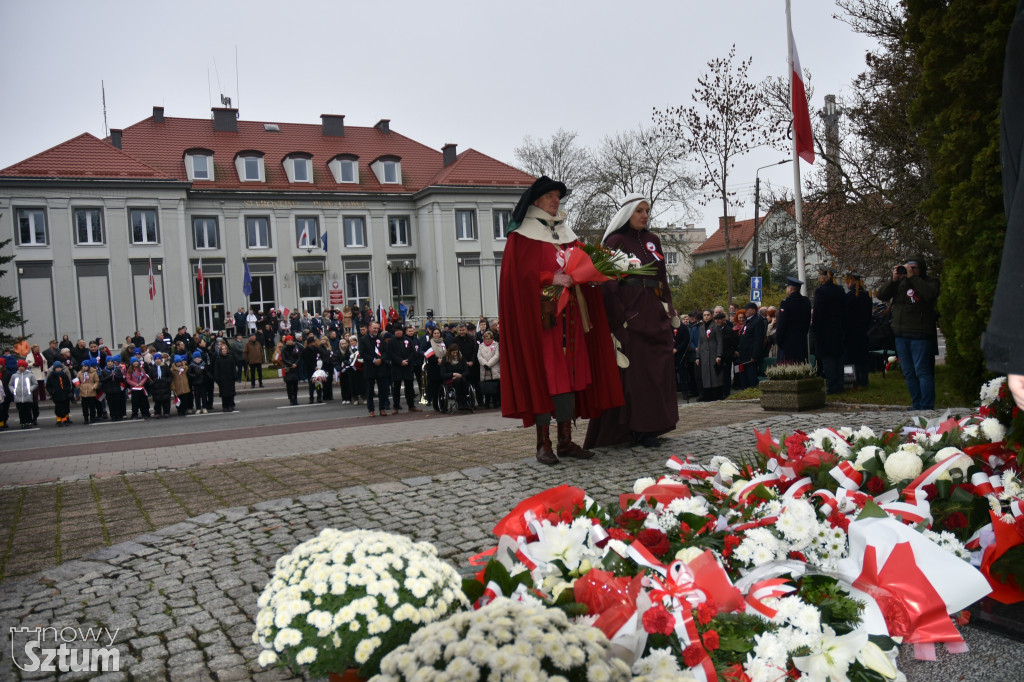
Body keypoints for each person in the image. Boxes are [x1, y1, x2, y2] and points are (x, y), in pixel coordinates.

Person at [498, 176, 622, 465]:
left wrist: (597, 270)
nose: (555, 201)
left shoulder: (567, 233)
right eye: (549, 196)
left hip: (572, 319)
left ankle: (566, 440)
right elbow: (516, 280)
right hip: (542, 321)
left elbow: (581, 262)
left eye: (557, 196)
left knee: (570, 375)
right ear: (535, 201)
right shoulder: (521, 237)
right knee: (547, 376)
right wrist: (548, 278)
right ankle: (543, 443)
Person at [584, 194, 679, 449]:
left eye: (647, 210)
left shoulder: (653, 241)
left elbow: (662, 280)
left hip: (655, 314)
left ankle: (656, 425)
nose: (645, 215)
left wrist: (669, 310)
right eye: (639, 211)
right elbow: (607, 284)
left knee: (659, 371)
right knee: (637, 376)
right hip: (631, 316)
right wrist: (619, 319)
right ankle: (634, 429)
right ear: (628, 213)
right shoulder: (615, 241)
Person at [877, 254, 940, 410]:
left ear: (921, 268)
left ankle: (926, 405)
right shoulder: (900, 283)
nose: (909, 270)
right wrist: (893, 279)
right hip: (900, 334)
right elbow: (882, 295)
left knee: (922, 371)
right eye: (907, 267)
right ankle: (916, 403)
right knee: (908, 372)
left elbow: (930, 294)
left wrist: (913, 278)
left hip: (920, 334)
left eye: (913, 267)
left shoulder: (930, 282)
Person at [812, 266, 847, 395]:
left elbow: (817, 314)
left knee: (829, 361)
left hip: (825, 332)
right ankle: (840, 384)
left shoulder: (820, 292)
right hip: (838, 330)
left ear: (824, 277)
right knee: (838, 359)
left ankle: (832, 386)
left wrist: (816, 331)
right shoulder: (840, 290)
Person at [844, 273, 873, 388]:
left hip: (851, 332)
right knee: (863, 358)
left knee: (851, 358)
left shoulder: (849, 297)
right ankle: (864, 380)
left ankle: (852, 381)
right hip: (864, 331)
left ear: (851, 282)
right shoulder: (867, 295)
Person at [358, 322, 391, 416]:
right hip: (369, 368)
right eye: (374, 328)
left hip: (381, 368)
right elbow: (362, 353)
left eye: (377, 328)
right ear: (369, 328)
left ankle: (382, 408)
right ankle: (371, 410)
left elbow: (386, 351)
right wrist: (373, 360)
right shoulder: (363, 339)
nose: (376, 330)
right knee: (369, 390)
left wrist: (381, 359)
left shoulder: (381, 339)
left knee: (383, 390)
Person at [776, 277, 811, 364]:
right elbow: (807, 321)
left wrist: (778, 340)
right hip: (801, 341)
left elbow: (782, 324)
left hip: (787, 343)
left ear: (790, 288)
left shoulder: (786, 302)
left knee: (787, 369)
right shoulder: (806, 302)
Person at [388, 326, 420, 413]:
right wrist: (400, 361)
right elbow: (391, 353)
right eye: (397, 330)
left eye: (400, 330)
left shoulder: (408, 340)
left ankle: (411, 405)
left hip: (407, 367)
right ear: (394, 332)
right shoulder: (391, 342)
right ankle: (396, 407)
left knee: (409, 387)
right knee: (396, 388)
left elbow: (413, 352)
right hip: (396, 367)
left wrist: (408, 361)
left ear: (403, 332)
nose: (398, 332)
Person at [736, 302, 767, 389]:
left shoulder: (757, 321)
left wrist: (754, 355)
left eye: (747, 309)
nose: (745, 311)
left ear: (753, 310)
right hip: (743, 356)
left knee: (751, 376)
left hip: (750, 356)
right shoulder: (748, 321)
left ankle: (753, 391)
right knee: (743, 377)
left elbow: (758, 340)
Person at [695, 310, 724, 401]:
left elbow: (719, 342)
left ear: (711, 316)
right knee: (706, 375)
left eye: (708, 315)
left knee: (715, 375)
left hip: (713, 353)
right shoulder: (701, 327)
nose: (706, 317)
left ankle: (716, 395)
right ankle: (707, 395)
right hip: (704, 355)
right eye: (704, 315)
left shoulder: (715, 327)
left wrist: (719, 355)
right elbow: (700, 342)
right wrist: (698, 356)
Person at [424, 327, 446, 412]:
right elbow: (429, 355)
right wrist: (437, 360)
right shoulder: (429, 343)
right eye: (435, 333)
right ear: (432, 334)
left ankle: (443, 404)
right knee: (435, 388)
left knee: (443, 387)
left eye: (438, 333)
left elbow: (447, 353)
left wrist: (443, 360)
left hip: (443, 367)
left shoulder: (444, 342)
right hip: (434, 368)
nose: (437, 335)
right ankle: (436, 405)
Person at [477, 330, 500, 409]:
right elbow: (479, 356)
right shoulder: (481, 346)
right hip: (484, 369)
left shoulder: (496, 344)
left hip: (493, 368)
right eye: (486, 338)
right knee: (486, 387)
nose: (487, 340)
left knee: (494, 387)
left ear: (492, 338)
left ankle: (495, 402)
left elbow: (497, 356)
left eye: (489, 339)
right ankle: (486, 403)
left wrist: (489, 364)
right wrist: (484, 364)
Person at [46, 360, 74, 425]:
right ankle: (59, 419)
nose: (58, 369)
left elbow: (68, 383)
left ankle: (66, 419)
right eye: (57, 368)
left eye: (59, 368)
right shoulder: (51, 376)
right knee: (58, 407)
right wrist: (52, 392)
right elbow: (48, 386)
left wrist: (68, 390)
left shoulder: (64, 375)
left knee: (66, 406)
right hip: (56, 394)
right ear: (54, 368)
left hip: (64, 394)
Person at [11, 360, 37, 429]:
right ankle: (22, 422)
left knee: (28, 410)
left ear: (25, 367)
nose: (21, 368)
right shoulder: (14, 376)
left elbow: (35, 384)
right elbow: (10, 385)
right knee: (21, 411)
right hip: (18, 397)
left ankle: (29, 421)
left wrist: (30, 389)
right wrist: (13, 390)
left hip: (27, 396)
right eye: (19, 366)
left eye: (22, 366)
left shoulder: (30, 375)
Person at [213, 344, 237, 412]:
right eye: (222, 349)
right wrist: (217, 378)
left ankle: (230, 405)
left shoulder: (231, 358)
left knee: (230, 393)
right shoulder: (218, 359)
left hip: (230, 378)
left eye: (225, 349)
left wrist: (235, 376)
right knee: (224, 394)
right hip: (222, 379)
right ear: (220, 351)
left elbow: (233, 368)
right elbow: (216, 369)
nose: (224, 350)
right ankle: (225, 406)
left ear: (227, 350)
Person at [77, 359, 101, 424]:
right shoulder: (80, 373)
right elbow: (77, 380)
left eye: (85, 366)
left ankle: (92, 418)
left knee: (92, 406)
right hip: (83, 391)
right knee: (84, 407)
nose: (84, 367)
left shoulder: (94, 373)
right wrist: (78, 386)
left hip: (91, 391)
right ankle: (86, 418)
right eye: (83, 366)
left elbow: (97, 381)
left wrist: (94, 387)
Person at [280, 335, 300, 406]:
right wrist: (291, 364)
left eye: (291, 340)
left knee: (295, 385)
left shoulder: (295, 347)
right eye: (288, 340)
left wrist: (296, 363)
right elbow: (284, 358)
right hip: (288, 368)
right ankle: (291, 399)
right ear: (286, 341)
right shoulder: (284, 349)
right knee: (289, 385)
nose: (290, 341)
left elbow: (298, 356)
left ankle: (295, 398)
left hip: (295, 368)